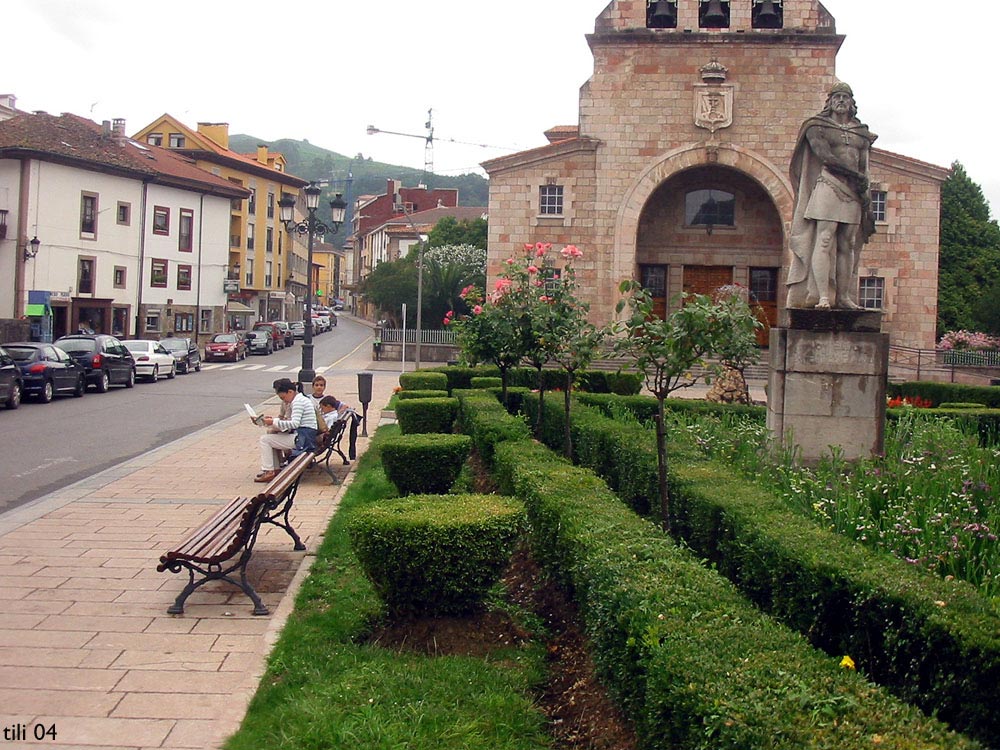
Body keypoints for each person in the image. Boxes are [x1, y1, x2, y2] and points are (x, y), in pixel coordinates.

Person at [786, 82, 878, 310]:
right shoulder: (817, 126)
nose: (841, 100)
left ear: (852, 102)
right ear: (829, 101)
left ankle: (843, 296)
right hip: (829, 185)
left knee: (848, 243)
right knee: (825, 239)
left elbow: (864, 166)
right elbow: (825, 156)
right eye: (837, 96)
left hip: (853, 192)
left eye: (845, 97)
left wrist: (865, 190)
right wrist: (856, 176)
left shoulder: (860, 133)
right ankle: (822, 296)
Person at [255, 378, 319, 483]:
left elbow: (294, 423)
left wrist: (273, 422)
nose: (283, 400)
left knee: (265, 440)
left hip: (303, 439)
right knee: (270, 438)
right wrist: (271, 423)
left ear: (290, 392)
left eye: (283, 397)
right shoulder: (301, 399)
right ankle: (274, 469)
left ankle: (270, 471)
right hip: (305, 436)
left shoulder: (298, 402)